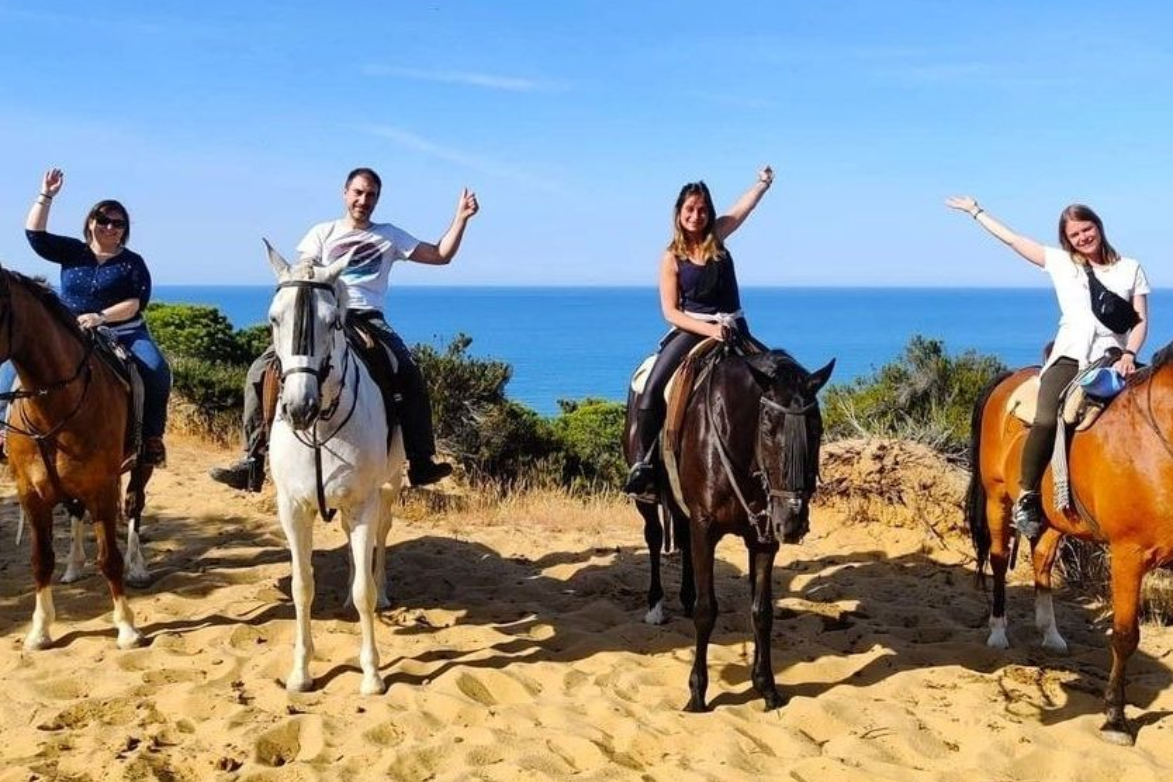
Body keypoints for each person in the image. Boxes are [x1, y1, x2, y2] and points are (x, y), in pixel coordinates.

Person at [209, 167, 478, 491]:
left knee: (409, 371)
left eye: (371, 195)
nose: (364, 200)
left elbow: (439, 255)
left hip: (368, 318)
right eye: (358, 193)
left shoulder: (389, 235)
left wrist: (461, 218)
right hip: (324, 315)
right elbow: (305, 273)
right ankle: (253, 460)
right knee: (259, 370)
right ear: (345, 193)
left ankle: (420, 461)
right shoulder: (322, 233)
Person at [945, 196, 1150, 540]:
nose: (1084, 237)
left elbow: (1140, 320)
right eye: (1075, 234)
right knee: (1045, 417)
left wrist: (1130, 352)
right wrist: (976, 212)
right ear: (1066, 240)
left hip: (1114, 356)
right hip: (1070, 355)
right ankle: (1028, 496)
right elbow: (1014, 240)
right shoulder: (1060, 263)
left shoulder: (1130, 268)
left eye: (1087, 229)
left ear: (1098, 226)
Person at [624, 166, 775, 497]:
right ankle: (645, 467)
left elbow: (742, 208)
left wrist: (762, 185)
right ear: (679, 213)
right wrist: (710, 329)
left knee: (781, 381)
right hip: (693, 329)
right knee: (650, 392)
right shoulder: (671, 257)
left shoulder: (718, 236)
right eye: (690, 209)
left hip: (735, 328)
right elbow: (670, 312)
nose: (696, 215)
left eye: (702, 209)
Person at [5, 168, 172, 465]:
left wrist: (100, 317)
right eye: (104, 220)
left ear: (125, 229)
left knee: (156, 370)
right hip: (67, 328)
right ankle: (4, 433)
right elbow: (35, 235)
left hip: (124, 331)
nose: (110, 227)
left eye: (118, 223)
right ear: (90, 223)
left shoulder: (132, 263)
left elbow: (135, 303)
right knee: (13, 363)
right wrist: (46, 195)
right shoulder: (72, 251)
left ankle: (150, 438)